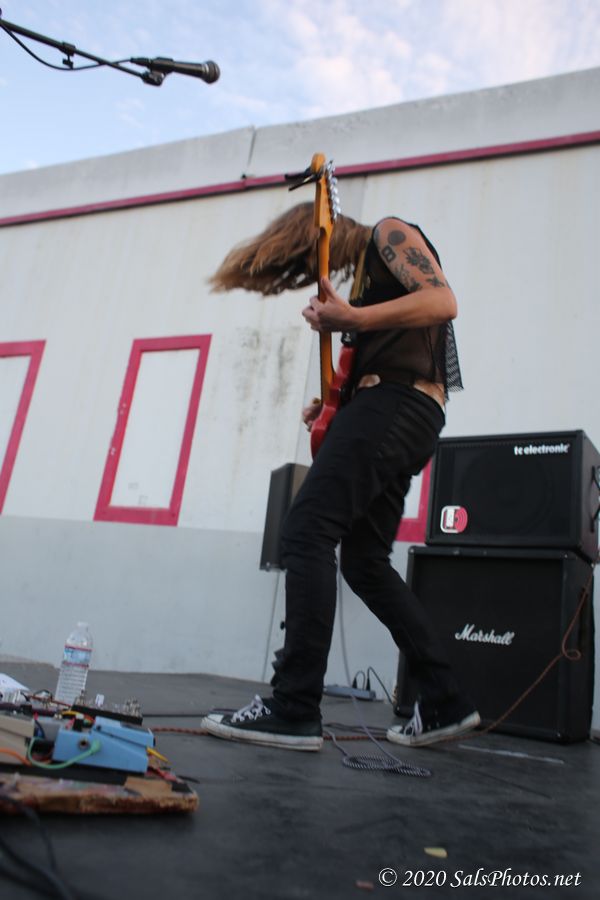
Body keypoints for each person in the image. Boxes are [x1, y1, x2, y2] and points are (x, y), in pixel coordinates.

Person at [202, 202, 480, 751]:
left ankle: (294, 705)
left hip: (396, 406)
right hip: (401, 411)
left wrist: (352, 322)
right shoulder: (367, 288)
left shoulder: (390, 233)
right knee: (363, 561)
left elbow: (443, 301)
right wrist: (335, 404)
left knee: (306, 530)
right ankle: (444, 699)